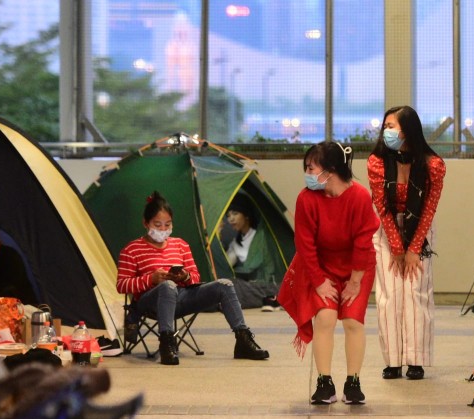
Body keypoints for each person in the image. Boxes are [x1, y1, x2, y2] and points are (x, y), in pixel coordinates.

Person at [116, 190, 270, 366]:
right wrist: (150, 279)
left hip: (182, 296)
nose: (163, 230)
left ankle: (243, 340)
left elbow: (195, 277)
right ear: (145, 223)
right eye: (157, 225)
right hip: (150, 301)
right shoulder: (132, 249)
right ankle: (167, 343)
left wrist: (185, 276)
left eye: (168, 225)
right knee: (167, 286)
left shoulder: (180, 245)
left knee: (225, 285)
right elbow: (122, 285)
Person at [277, 141, 379, 405]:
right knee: (324, 318)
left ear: (331, 170)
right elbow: (305, 244)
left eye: (312, 167)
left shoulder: (360, 196)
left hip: (357, 267)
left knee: (353, 322)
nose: (308, 173)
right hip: (320, 267)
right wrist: (319, 281)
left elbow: (363, 242)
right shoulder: (306, 198)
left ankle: (353, 381)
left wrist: (355, 282)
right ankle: (324, 382)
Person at [367, 106, 446, 380]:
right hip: (387, 230)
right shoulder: (376, 162)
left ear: (408, 130)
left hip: (420, 231)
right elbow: (382, 207)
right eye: (385, 126)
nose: (387, 131)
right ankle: (392, 361)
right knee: (389, 296)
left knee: (416, 293)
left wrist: (413, 249)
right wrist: (397, 249)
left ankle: (416, 360)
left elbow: (429, 209)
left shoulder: (433, 165)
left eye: (392, 126)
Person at [222, 194, 282, 311]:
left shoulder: (262, 236)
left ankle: (274, 297)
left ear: (246, 215)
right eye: (228, 216)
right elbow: (225, 266)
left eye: (235, 214)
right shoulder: (236, 243)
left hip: (268, 284)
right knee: (228, 284)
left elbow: (267, 267)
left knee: (235, 288)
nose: (231, 219)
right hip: (250, 286)